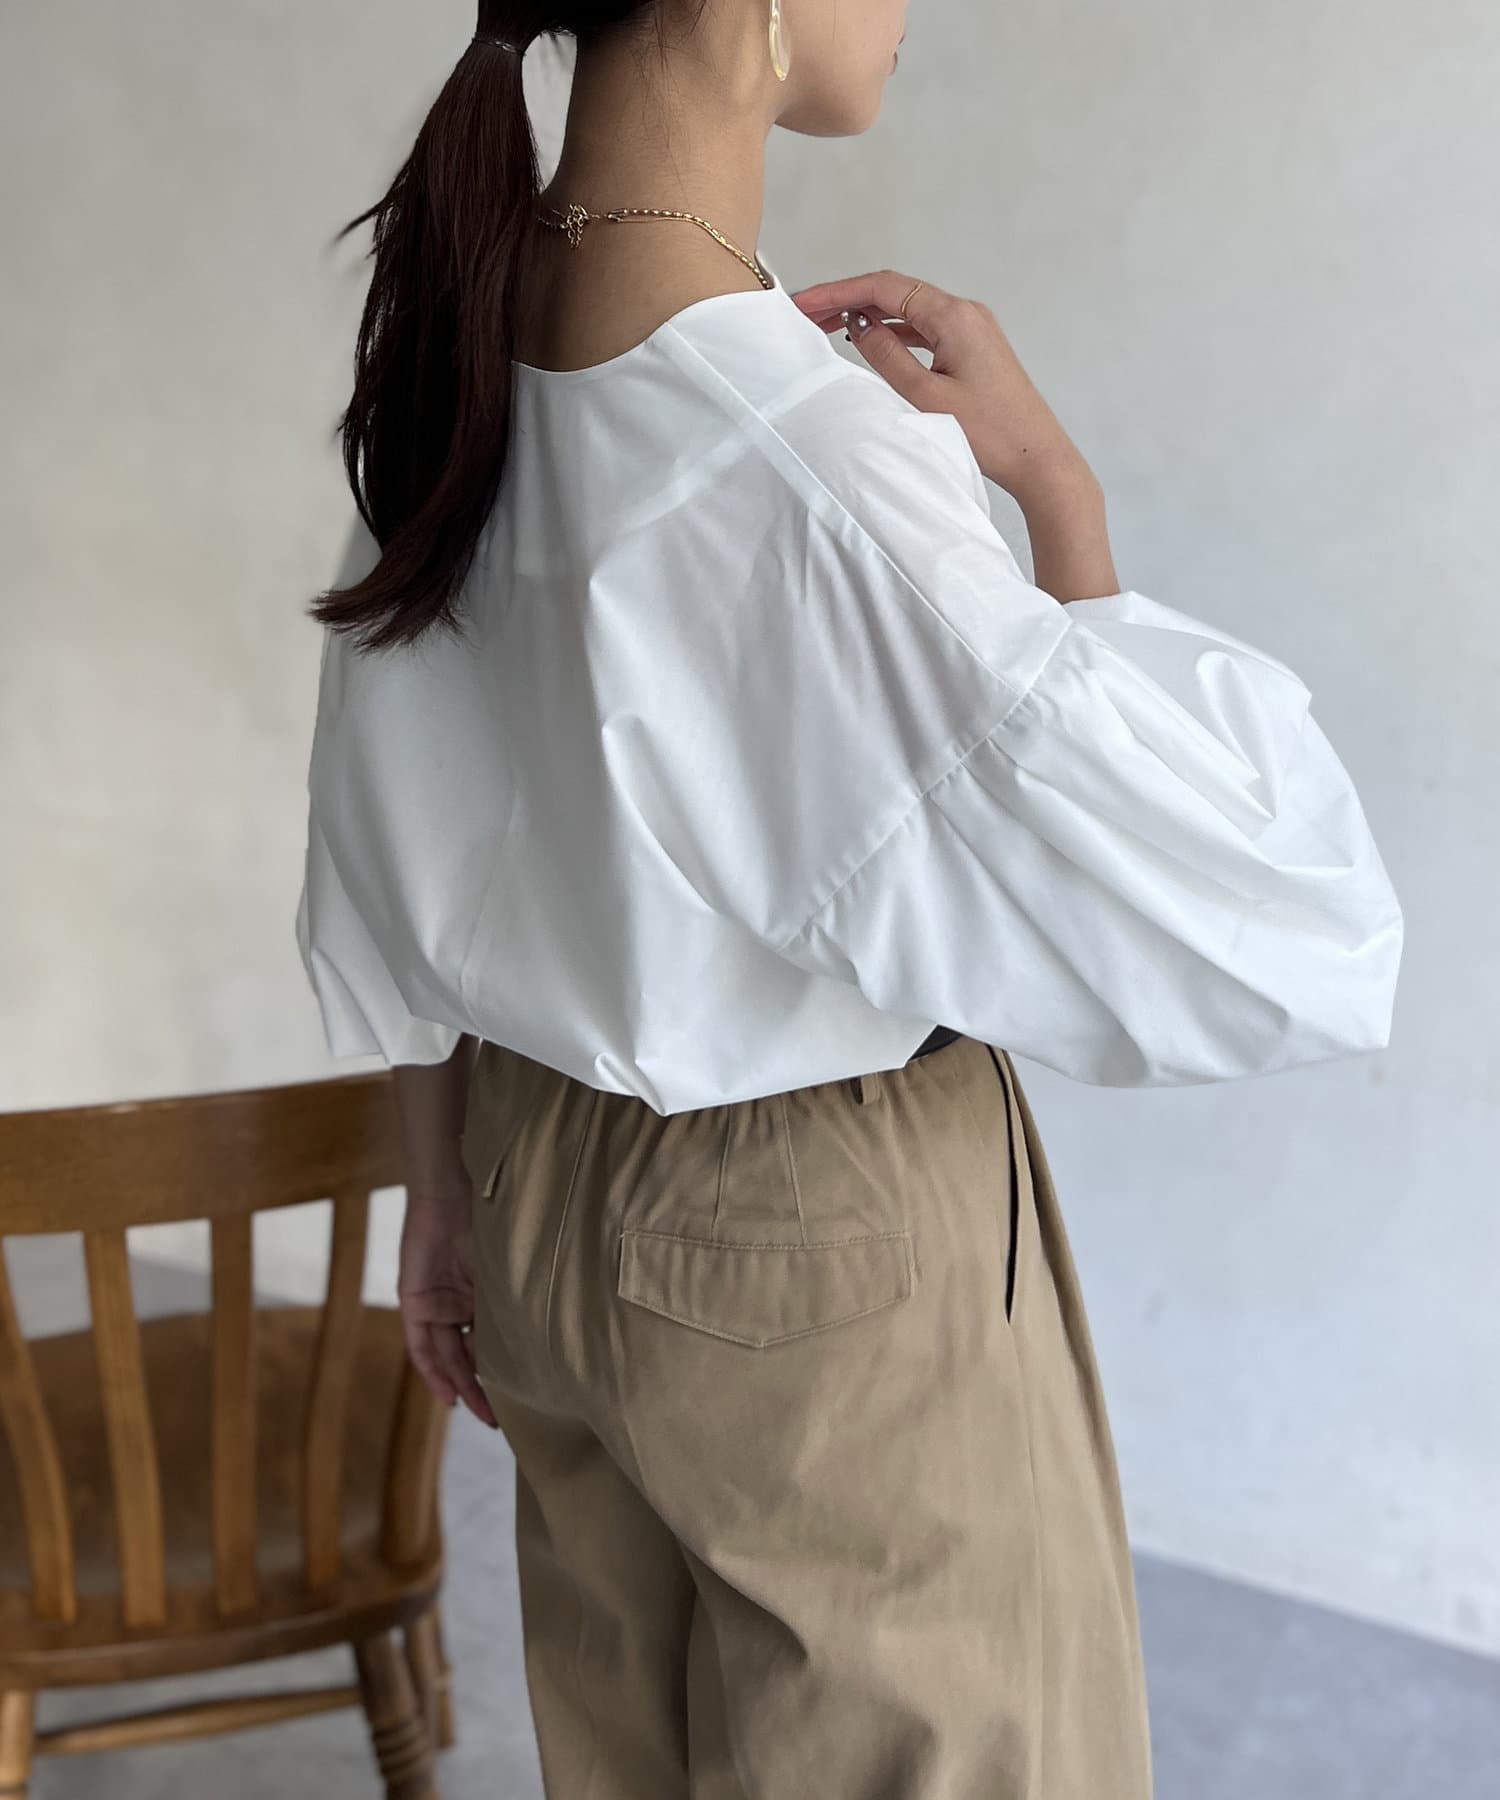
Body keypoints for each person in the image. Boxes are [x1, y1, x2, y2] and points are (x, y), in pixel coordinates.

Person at [293, 3, 1403, 1794]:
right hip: (809, 1227)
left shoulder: (459, 349)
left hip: (530, 1172)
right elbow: (1273, 925)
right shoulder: (800, 448)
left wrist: (444, 1185)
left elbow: (390, 823)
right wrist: (1060, 500)